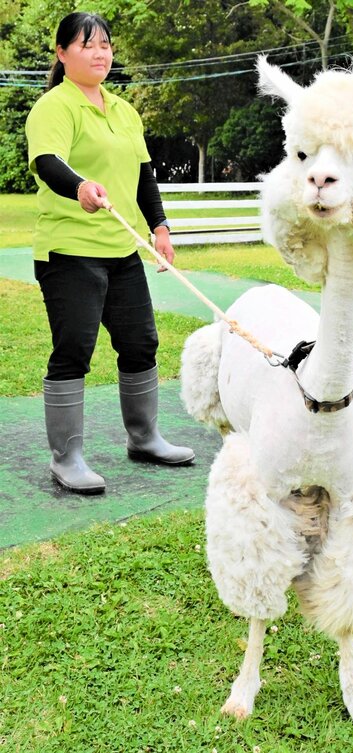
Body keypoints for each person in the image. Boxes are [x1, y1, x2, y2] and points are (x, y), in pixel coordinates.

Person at [25, 11, 195, 495]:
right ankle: (67, 458)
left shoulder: (124, 110)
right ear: (61, 53)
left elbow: (143, 175)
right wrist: (78, 186)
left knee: (141, 342)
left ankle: (144, 438)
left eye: (105, 45)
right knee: (74, 350)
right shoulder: (54, 107)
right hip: (69, 251)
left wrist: (159, 226)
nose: (100, 53)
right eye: (87, 45)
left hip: (122, 252)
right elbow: (48, 162)